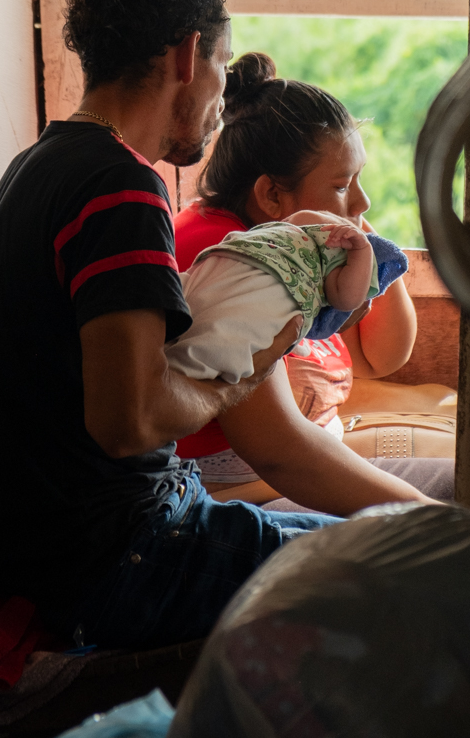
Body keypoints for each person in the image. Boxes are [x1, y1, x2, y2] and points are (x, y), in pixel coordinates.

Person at [0, 0, 431, 657]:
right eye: (219, 66)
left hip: (67, 550)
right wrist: (237, 373)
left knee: (398, 546)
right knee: (421, 577)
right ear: (187, 54)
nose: (217, 100)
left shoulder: (40, 166)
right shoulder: (120, 186)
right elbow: (129, 420)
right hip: (116, 561)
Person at [174, 52, 454, 506]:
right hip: (241, 489)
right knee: (469, 496)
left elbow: (379, 357)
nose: (362, 201)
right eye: (344, 184)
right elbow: (280, 453)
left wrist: (359, 233)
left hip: (296, 458)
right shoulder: (235, 261)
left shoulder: (291, 249)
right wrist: (427, 517)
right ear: (271, 195)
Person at [169, 210, 377, 383]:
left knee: (179, 302)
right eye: (340, 187)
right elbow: (347, 299)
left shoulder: (319, 236)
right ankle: (174, 377)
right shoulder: (337, 244)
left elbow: (347, 300)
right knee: (222, 344)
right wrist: (364, 249)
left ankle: (160, 361)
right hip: (275, 281)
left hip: (225, 259)